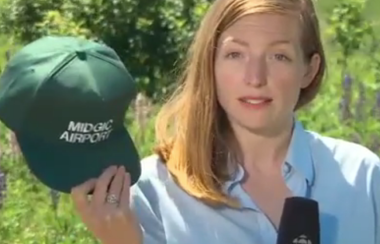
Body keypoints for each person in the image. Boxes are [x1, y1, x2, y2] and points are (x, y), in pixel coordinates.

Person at [70, 0, 380, 243]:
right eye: (235, 54)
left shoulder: (363, 178)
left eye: (279, 56)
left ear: (309, 70)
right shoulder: (153, 190)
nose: (255, 78)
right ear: (211, 63)